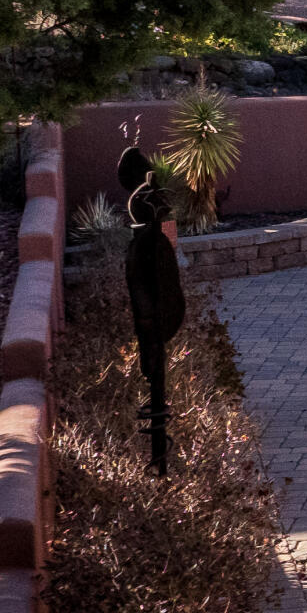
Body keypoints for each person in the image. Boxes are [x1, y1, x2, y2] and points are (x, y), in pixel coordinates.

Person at [120, 152, 186, 470]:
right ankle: (158, 458)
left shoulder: (150, 238)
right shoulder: (145, 242)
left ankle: (160, 457)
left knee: (156, 370)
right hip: (153, 323)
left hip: (157, 322)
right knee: (154, 369)